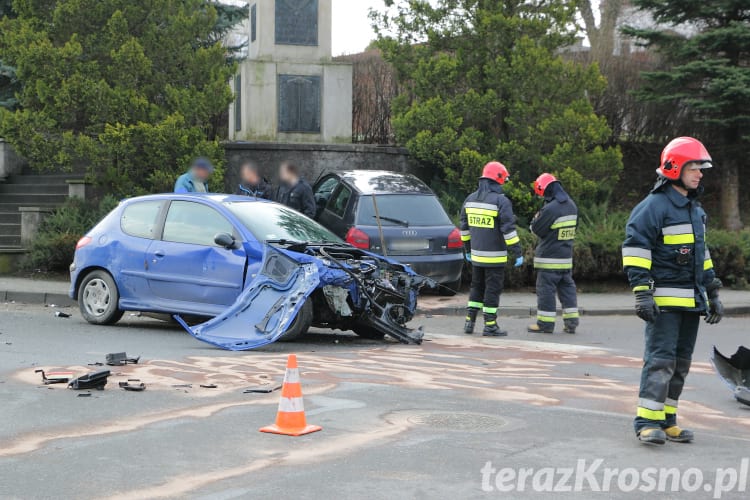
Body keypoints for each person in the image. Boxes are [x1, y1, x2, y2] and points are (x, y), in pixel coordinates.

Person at [622, 137, 724, 445]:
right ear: (675, 168)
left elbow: (701, 255)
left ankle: (667, 420)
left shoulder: (694, 210)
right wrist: (642, 292)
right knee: (660, 361)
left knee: (680, 364)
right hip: (664, 303)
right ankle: (646, 422)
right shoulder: (653, 207)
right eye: (694, 167)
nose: (700, 173)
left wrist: (713, 291)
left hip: (691, 302)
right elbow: (636, 249)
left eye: (700, 168)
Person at [460, 161, 524, 337]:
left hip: (477, 256)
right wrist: (517, 252)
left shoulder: (470, 199)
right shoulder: (501, 201)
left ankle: (469, 322)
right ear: (498, 179)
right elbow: (508, 231)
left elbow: (464, 229)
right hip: (495, 258)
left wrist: (467, 250)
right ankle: (490, 326)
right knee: (492, 290)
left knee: (476, 287)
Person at [527, 173, 579, 334]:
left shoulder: (550, 208)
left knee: (546, 291)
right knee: (567, 290)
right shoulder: (572, 205)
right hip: (566, 258)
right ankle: (571, 323)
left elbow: (536, 229)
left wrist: (536, 218)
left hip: (548, 259)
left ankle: (545, 324)